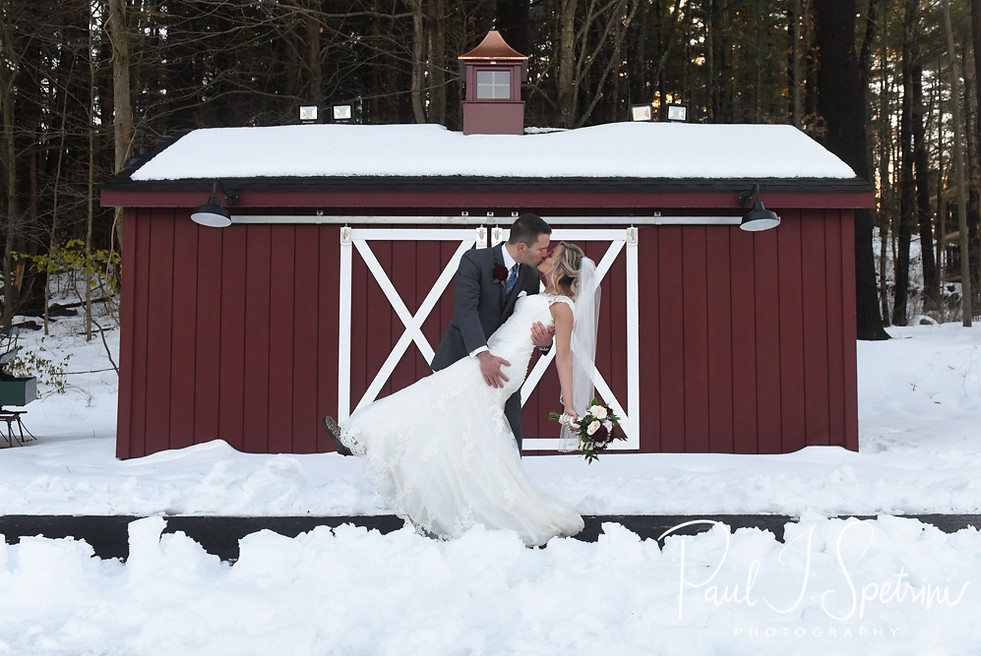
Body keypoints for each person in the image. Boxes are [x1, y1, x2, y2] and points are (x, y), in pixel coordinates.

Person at [333, 242, 598, 546]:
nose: (543, 254)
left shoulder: (563, 307)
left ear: (561, 268)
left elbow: (563, 356)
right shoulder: (532, 283)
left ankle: (360, 437)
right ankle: (456, 496)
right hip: (489, 356)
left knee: (432, 395)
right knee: (460, 431)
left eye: (550, 254)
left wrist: (570, 400)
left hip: (503, 366)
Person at [430, 213, 555, 450]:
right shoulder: (474, 261)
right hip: (461, 359)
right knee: (444, 433)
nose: (546, 253)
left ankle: (509, 487)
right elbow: (466, 311)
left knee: (509, 437)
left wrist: (545, 341)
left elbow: (529, 317)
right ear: (521, 246)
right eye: (542, 248)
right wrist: (483, 355)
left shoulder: (529, 274)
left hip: (503, 370)